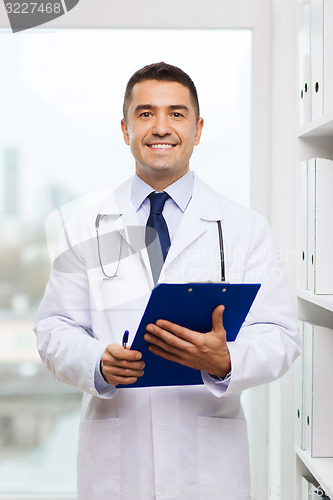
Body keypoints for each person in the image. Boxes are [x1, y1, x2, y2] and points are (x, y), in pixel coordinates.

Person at [33, 62, 301, 500]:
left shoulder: (244, 227)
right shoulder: (85, 226)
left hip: (209, 466)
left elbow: (281, 336)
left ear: (197, 129)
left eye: (176, 114)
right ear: (125, 129)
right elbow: (52, 330)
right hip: (116, 463)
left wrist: (226, 360)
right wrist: (97, 362)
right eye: (145, 114)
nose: (161, 127)